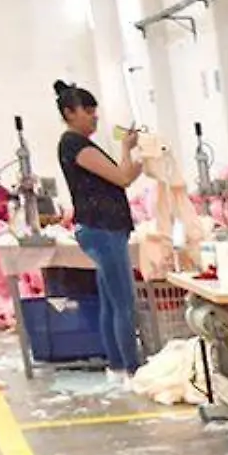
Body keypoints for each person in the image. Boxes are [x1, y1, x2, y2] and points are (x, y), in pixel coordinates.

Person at [54, 80, 142, 379]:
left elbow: (126, 174)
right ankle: (131, 369)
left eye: (95, 110)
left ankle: (117, 366)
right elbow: (122, 177)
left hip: (104, 228)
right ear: (69, 112)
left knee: (111, 301)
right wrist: (126, 149)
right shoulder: (74, 144)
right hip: (102, 229)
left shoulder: (82, 145)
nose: (94, 116)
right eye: (88, 110)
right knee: (124, 304)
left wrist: (142, 158)